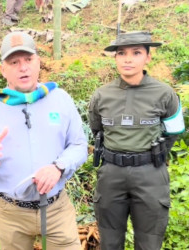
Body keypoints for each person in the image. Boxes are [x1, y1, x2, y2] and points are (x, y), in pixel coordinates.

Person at [0, 31, 88, 250]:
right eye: (14, 61)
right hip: (10, 212)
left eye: (28, 59)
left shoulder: (60, 99)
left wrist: (59, 166)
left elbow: (79, 146)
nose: (23, 67)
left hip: (56, 209)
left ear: (38, 62)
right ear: (3, 69)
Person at [88, 31, 185, 250]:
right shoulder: (102, 95)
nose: (128, 59)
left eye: (136, 52)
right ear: (115, 58)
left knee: (149, 243)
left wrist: (153, 155)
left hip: (150, 174)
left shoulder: (164, 93)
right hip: (112, 174)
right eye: (122, 53)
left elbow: (174, 130)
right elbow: (97, 129)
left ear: (148, 57)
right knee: (110, 243)